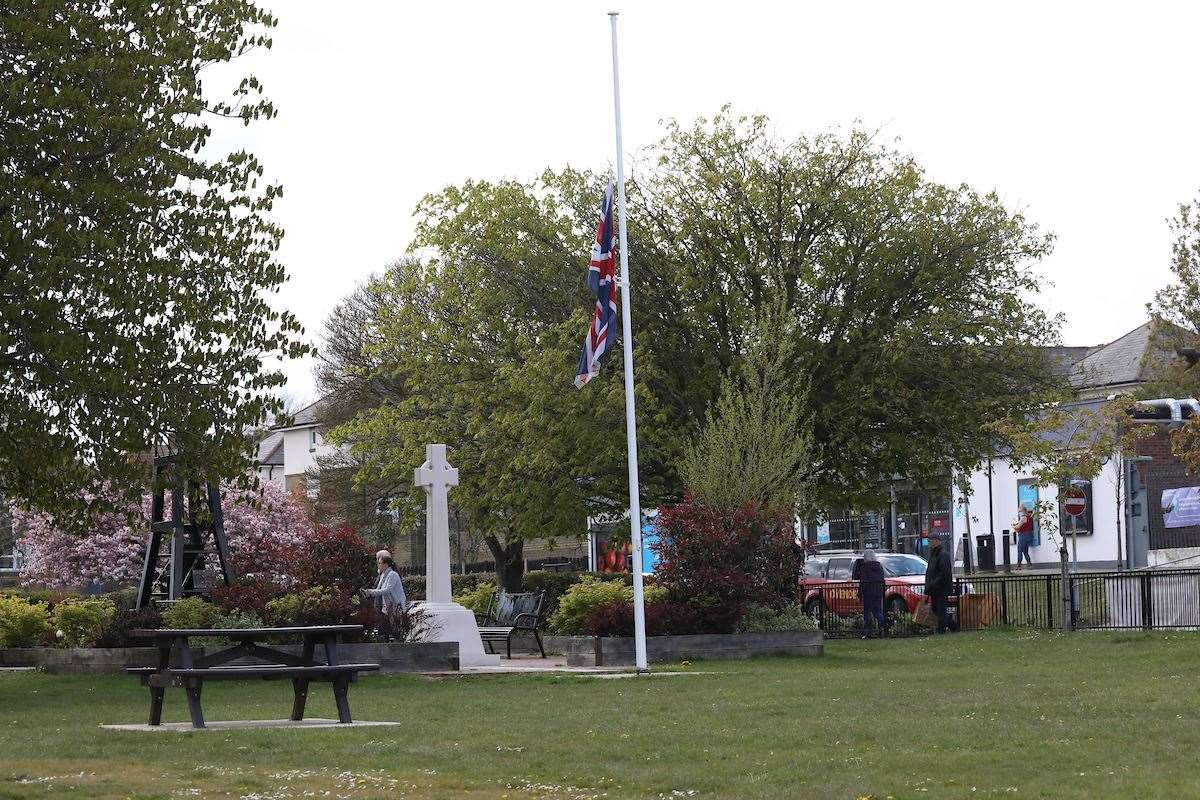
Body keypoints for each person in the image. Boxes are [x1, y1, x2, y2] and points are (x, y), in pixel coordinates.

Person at [361, 550, 407, 641]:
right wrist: (368, 592)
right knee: (385, 628)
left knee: (395, 629)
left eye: (380, 563)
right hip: (387, 607)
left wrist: (372, 592)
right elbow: (379, 589)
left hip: (395, 606)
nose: (378, 565)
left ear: (385, 564)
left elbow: (387, 590)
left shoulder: (392, 574)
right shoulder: (383, 575)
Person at [852, 550, 887, 636]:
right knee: (877, 612)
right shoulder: (879, 566)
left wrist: (860, 594)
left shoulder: (865, 567)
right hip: (878, 592)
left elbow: (863, 582)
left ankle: (867, 632)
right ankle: (883, 628)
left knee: (867, 613)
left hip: (869, 593)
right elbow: (882, 580)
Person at [924, 536, 953, 634]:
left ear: (936, 541)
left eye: (930, 541)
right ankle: (951, 624)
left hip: (941, 588)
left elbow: (944, 573)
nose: (929, 543)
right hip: (935, 588)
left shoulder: (942, 555)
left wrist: (934, 583)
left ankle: (942, 630)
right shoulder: (934, 554)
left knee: (940, 609)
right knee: (936, 609)